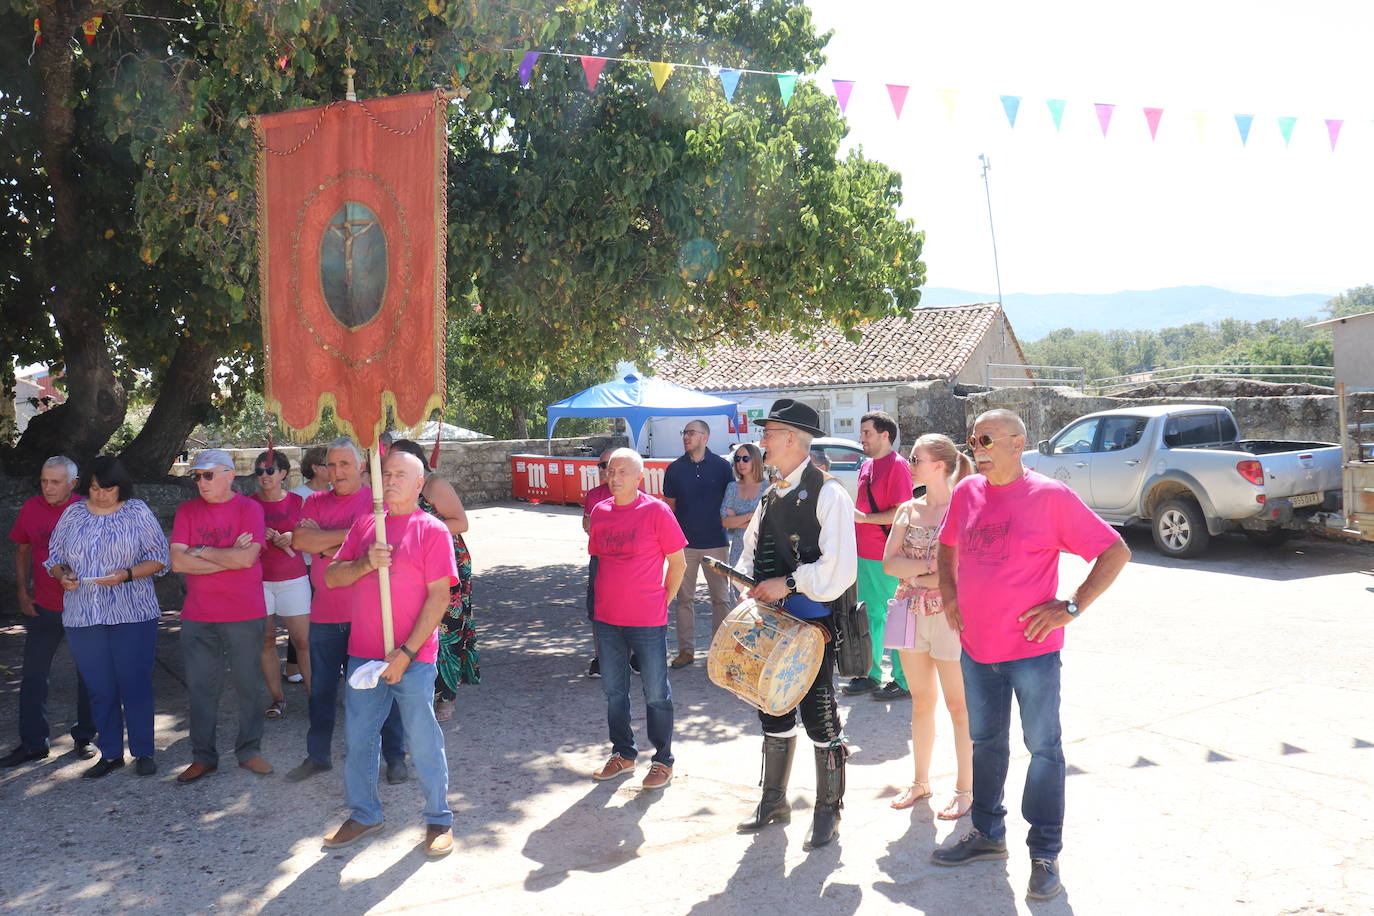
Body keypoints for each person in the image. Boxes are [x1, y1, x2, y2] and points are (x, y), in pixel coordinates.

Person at [931, 409, 1131, 901]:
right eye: (972, 439)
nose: (975, 447)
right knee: (986, 744)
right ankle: (987, 834)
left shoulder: (1050, 496)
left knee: (1044, 751)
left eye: (985, 439)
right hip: (977, 650)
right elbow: (945, 548)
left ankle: (1044, 855)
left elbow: (1115, 551)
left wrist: (1071, 606)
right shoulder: (966, 492)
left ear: (1017, 444)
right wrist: (952, 597)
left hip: (1032, 653)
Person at [321, 449, 458, 857]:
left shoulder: (431, 530)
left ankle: (439, 819)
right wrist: (365, 563)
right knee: (360, 737)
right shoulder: (367, 526)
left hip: (413, 656)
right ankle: (365, 814)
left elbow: (439, 598)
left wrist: (406, 651)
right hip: (364, 654)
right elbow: (331, 576)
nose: (392, 480)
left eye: (401, 474)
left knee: (422, 736)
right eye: (387, 473)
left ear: (420, 485)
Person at [734, 399, 858, 849]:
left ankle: (829, 811)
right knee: (771, 709)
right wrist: (747, 588)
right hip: (769, 627)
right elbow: (749, 552)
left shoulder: (829, 493)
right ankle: (773, 801)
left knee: (820, 718)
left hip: (813, 628)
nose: (761, 440)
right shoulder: (769, 494)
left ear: (791, 438)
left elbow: (839, 571)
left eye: (768, 433)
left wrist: (785, 583)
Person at [287, 437, 406, 784]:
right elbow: (300, 541)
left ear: (361, 466)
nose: (337, 472)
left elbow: (377, 545)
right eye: (332, 465)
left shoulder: (376, 501)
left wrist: (326, 540)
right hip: (324, 613)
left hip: (367, 616)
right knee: (321, 690)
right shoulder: (315, 501)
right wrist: (348, 540)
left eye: (345, 465)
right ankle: (318, 755)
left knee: (379, 688)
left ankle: (395, 757)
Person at [45, 455, 168, 777]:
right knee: (100, 688)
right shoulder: (73, 513)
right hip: (83, 615)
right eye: (95, 488)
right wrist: (63, 576)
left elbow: (159, 557)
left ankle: (143, 751)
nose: (100, 494)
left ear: (121, 486)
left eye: (108, 488)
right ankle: (111, 753)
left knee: (135, 684)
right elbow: (55, 558)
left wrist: (126, 574)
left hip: (133, 612)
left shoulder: (136, 511)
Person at [882, 434, 975, 818]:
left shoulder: (965, 507)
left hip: (951, 616)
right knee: (921, 702)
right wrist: (927, 572)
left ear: (938, 465)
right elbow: (890, 564)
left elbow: (959, 571)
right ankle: (921, 782)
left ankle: (965, 789)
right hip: (910, 613)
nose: (908, 461)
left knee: (959, 707)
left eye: (916, 457)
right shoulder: (907, 509)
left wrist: (918, 573)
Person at [170, 449, 274, 782]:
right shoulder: (187, 510)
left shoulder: (250, 509)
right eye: (197, 476)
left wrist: (199, 551)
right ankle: (203, 756)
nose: (201, 482)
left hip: (244, 612)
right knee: (201, 687)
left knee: (248, 684)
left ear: (230, 474)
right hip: (199, 614)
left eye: (208, 475)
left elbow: (247, 560)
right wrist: (227, 554)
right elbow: (178, 563)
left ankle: (249, 751)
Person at [586, 448, 686, 791]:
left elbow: (679, 564)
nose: (615, 477)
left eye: (623, 472)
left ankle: (662, 760)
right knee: (614, 692)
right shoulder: (599, 512)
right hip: (607, 620)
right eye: (611, 471)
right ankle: (623, 753)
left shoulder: (656, 512)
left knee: (656, 692)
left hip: (647, 620)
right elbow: (599, 562)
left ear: (640, 477)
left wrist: (662, 601)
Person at [2, 456, 97, 768]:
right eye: (44, 480)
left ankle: (85, 737)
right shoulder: (31, 508)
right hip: (44, 606)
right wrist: (21, 590)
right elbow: (23, 548)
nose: (48, 487)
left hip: (83, 606)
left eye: (55, 482)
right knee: (33, 676)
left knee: (89, 676)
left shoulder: (87, 508)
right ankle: (33, 744)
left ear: (73, 484)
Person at [388, 439, 476, 723]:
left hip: (445, 561)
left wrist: (422, 531)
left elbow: (461, 522)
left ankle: (446, 698)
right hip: (413, 564)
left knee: (446, 629)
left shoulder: (434, 486)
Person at [845, 410, 915, 701]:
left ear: (885, 435)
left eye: (867, 433)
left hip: (885, 553)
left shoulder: (897, 466)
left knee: (893, 615)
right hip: (866, 553)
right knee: (871, 616)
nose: (861, 439)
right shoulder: (867, 465)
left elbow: (903, 512)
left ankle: (904, 679)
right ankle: (872, 674)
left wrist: (862, 519)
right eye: (861, 433)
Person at [662, 419, 733, 668]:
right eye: (684, 432)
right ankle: (686, 651)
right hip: (684, 546)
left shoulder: (724, 467)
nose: (685, 436)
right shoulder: (674, 469)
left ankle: (720, 652)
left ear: (705, 437)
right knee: (683, 599)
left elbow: (733, 501)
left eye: (691, 432)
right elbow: (669, 510)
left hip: (716, 542)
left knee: (721, 600)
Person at [251, 449, 310, 719]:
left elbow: (311, 534)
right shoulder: (248, 504)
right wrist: (256, 533)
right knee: (266, 640)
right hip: (258, 581)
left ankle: (315, 698)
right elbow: (237, 538)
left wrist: (292, 536)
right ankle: (277, 699)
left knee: (303, 641)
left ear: (283, 473)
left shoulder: (299, 502)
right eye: (260, 471)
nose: (264, 476)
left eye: (270, 471)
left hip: (293, 579)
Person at [285, 445, 330, 683]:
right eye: (328, 464)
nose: (333, 469)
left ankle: (320, 663)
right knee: (302, 616)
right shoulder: (298, 495)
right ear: (315, 468)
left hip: (328, 561)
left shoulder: (336, 492)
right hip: (304, 564)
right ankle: (293, 665)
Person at [719, 442, 764, 602]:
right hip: (738, 550)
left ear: (756, 460)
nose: (740, 463)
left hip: (762, 550)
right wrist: (752, 515)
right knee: (739, 602)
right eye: (737, 459)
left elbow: (767, 522)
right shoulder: (732, 487)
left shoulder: (767, 487)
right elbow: (725, 522)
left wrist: (737, 519)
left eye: (745, 458)